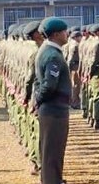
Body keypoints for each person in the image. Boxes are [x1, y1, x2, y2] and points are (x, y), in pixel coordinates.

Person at [34, 17, 72, 184]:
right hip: (54, 110)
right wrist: (39, 100)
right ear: (56, 34)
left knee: (52, 151)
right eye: (64, 31)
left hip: (52, 109)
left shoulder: (47, 51)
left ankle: (54, 179)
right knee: (52, 152)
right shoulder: (52, 55)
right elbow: (49, 86)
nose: (67, 34)